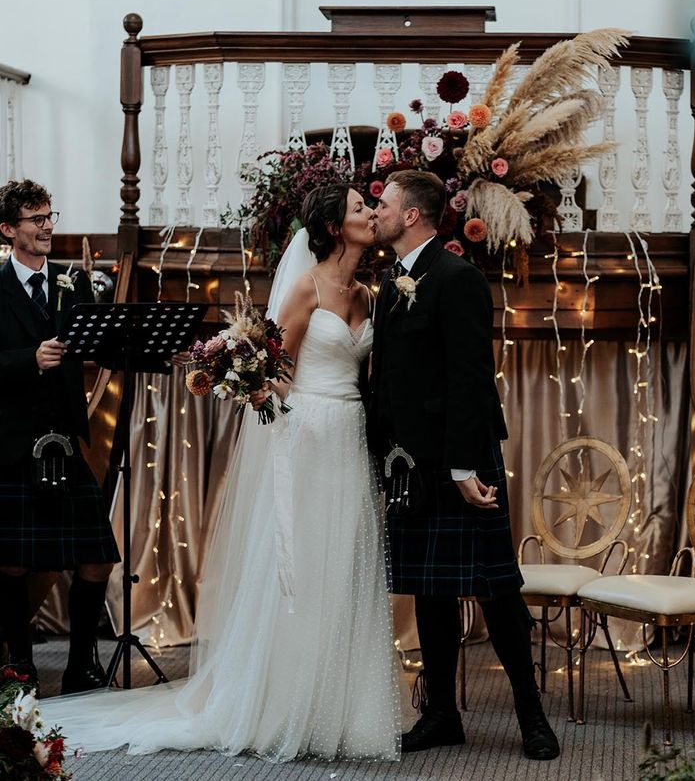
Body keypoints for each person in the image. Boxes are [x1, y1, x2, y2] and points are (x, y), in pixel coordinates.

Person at [42, 183, 401, 762]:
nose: (371, 214)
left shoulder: (369, 292)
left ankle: (339, 707)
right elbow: (277, 367)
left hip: (349, 438)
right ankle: (281, 701)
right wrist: (255, 386)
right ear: (337, 227)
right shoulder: (306, 288)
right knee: (301, 564)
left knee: (345, 561)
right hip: (305, 434)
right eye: (361, 208)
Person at [370, 170, 560, 760]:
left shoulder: (459, 279)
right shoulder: (391, 281)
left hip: (462, 461)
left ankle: (532, 715)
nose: (376, 212)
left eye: (384, 204)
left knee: (495, 590)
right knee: (430, 593)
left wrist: (459, 468)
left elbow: (472, 380)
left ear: (411, 216)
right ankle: (442, 715)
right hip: (412, 464)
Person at [0, 179, 120, 694]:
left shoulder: (76, 283)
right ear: (9, 230)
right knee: (12, 559)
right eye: (36, 219)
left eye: (50, 215)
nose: (48, 226)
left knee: (97, 557)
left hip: (66, 443)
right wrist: (28, 360)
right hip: (12, 443)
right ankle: (20, 665)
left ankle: (80, 664)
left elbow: (101, 345)